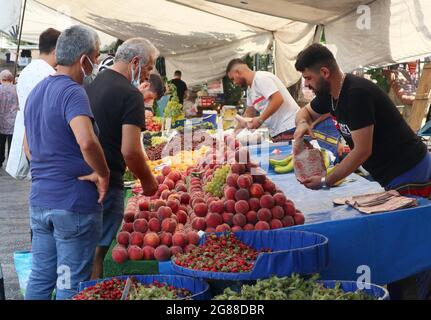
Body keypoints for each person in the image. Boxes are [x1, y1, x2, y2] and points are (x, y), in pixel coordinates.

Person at [294, 43, 431, 300]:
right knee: (400, 240)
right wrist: (302, 124)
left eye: (308, 78)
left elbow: (361, 151)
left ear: (324, 72)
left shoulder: (356, 94)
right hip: (389, 175)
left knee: (411, 241)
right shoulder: (331, 96)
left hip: (410, 170)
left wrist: (325, 180)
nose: (307, 85)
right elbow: (304, 112)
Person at [24, 25, 110, 300]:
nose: (96, 63)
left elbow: (28, 147)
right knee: (70, 284)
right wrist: (102, 173)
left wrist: (51, 170)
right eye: (95, 57)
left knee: (41, 278)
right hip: (72, 206)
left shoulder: (37, 92)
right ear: (83, 59)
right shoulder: (73, 92)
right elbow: (86, 141)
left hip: (41, 201)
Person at [85, 38, 159, 279]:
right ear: (135, 62)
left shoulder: (91, 85)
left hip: (86, 177)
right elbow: (131, 150)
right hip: (109, 181)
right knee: (98, 253)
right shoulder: (130, 94)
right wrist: (148, 182)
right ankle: (93, 292)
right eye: (147, 68)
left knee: (84, 250)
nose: (147, 75)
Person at [6, 28, 61, 179]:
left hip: (28, 137)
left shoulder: (26, 71)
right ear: (56, 49)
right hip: (40, 141)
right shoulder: (50, 75)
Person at [226, 59, 300, 141]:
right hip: (278, 132)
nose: (234, 83)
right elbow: (249, 113)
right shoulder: (250, 90)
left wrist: (260, 120)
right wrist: (233, 135)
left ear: (238, 73)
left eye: (233, 79)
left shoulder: (261, 78)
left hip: (290, 127)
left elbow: (278, 99)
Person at [0, 70, 19, 167]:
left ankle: (0, 160)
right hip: (13, 120)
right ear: (11, 78)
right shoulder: (16, 89)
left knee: (1, 142)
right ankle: (11, 163)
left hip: (1, 121)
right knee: (12, 143)